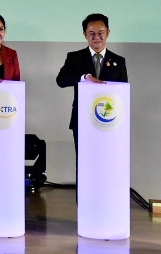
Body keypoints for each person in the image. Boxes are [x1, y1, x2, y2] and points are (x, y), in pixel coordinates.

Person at [56, 13, 128, 191]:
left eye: (101, 33)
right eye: (92, 33)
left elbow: (122, 94)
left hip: (110, 123)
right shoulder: (75, 58)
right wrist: (83, 77)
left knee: (108, 164)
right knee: (85, 166)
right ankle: (84, 204)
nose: (97, 37)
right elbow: (61, 80)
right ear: (85, 34)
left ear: (108, 32)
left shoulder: (118, 61)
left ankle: (108, 200)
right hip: (83, 122)